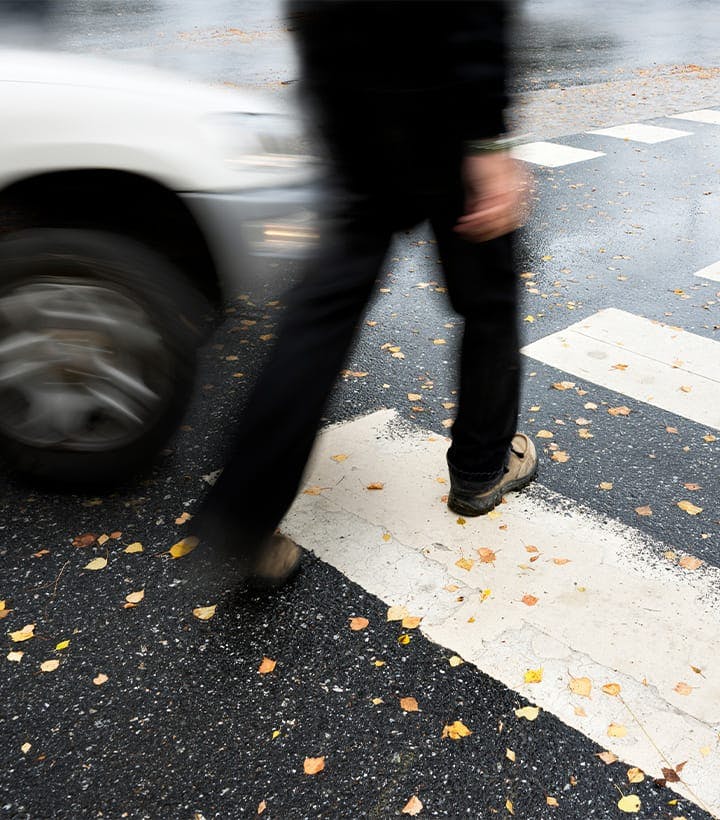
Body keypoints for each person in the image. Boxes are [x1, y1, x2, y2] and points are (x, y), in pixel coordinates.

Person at [193, 0, 537, 588]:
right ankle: (481, 469)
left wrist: (328, 91)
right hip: (440, 96)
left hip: (348, 93)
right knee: (489, 299)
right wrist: (486, 140)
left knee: (323, 311)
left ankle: (244, 514)